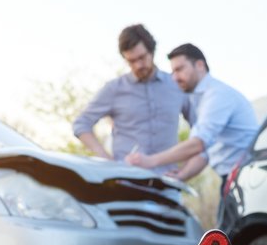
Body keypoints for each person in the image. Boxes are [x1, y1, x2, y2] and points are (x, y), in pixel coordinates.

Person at [125, 43, 258, 187]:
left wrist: (150, 161)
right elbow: (206, 152)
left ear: (200, 65)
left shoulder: (217, 95)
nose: (174, 78)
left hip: (247, 178)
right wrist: (182, 175)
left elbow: (197, 145)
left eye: (179, 69)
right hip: (234, 178)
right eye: (173, 72)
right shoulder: (202, 99)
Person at [72, 24, 187, 174]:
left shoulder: (177, 85)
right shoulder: (114, 89)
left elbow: (201, 132)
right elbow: (81, 124)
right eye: (131, 61)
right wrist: (108, 162)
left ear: (152, 52)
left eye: (142, 57)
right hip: (126, 181)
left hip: (167, 183)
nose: (138, 65)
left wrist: (185, 171)